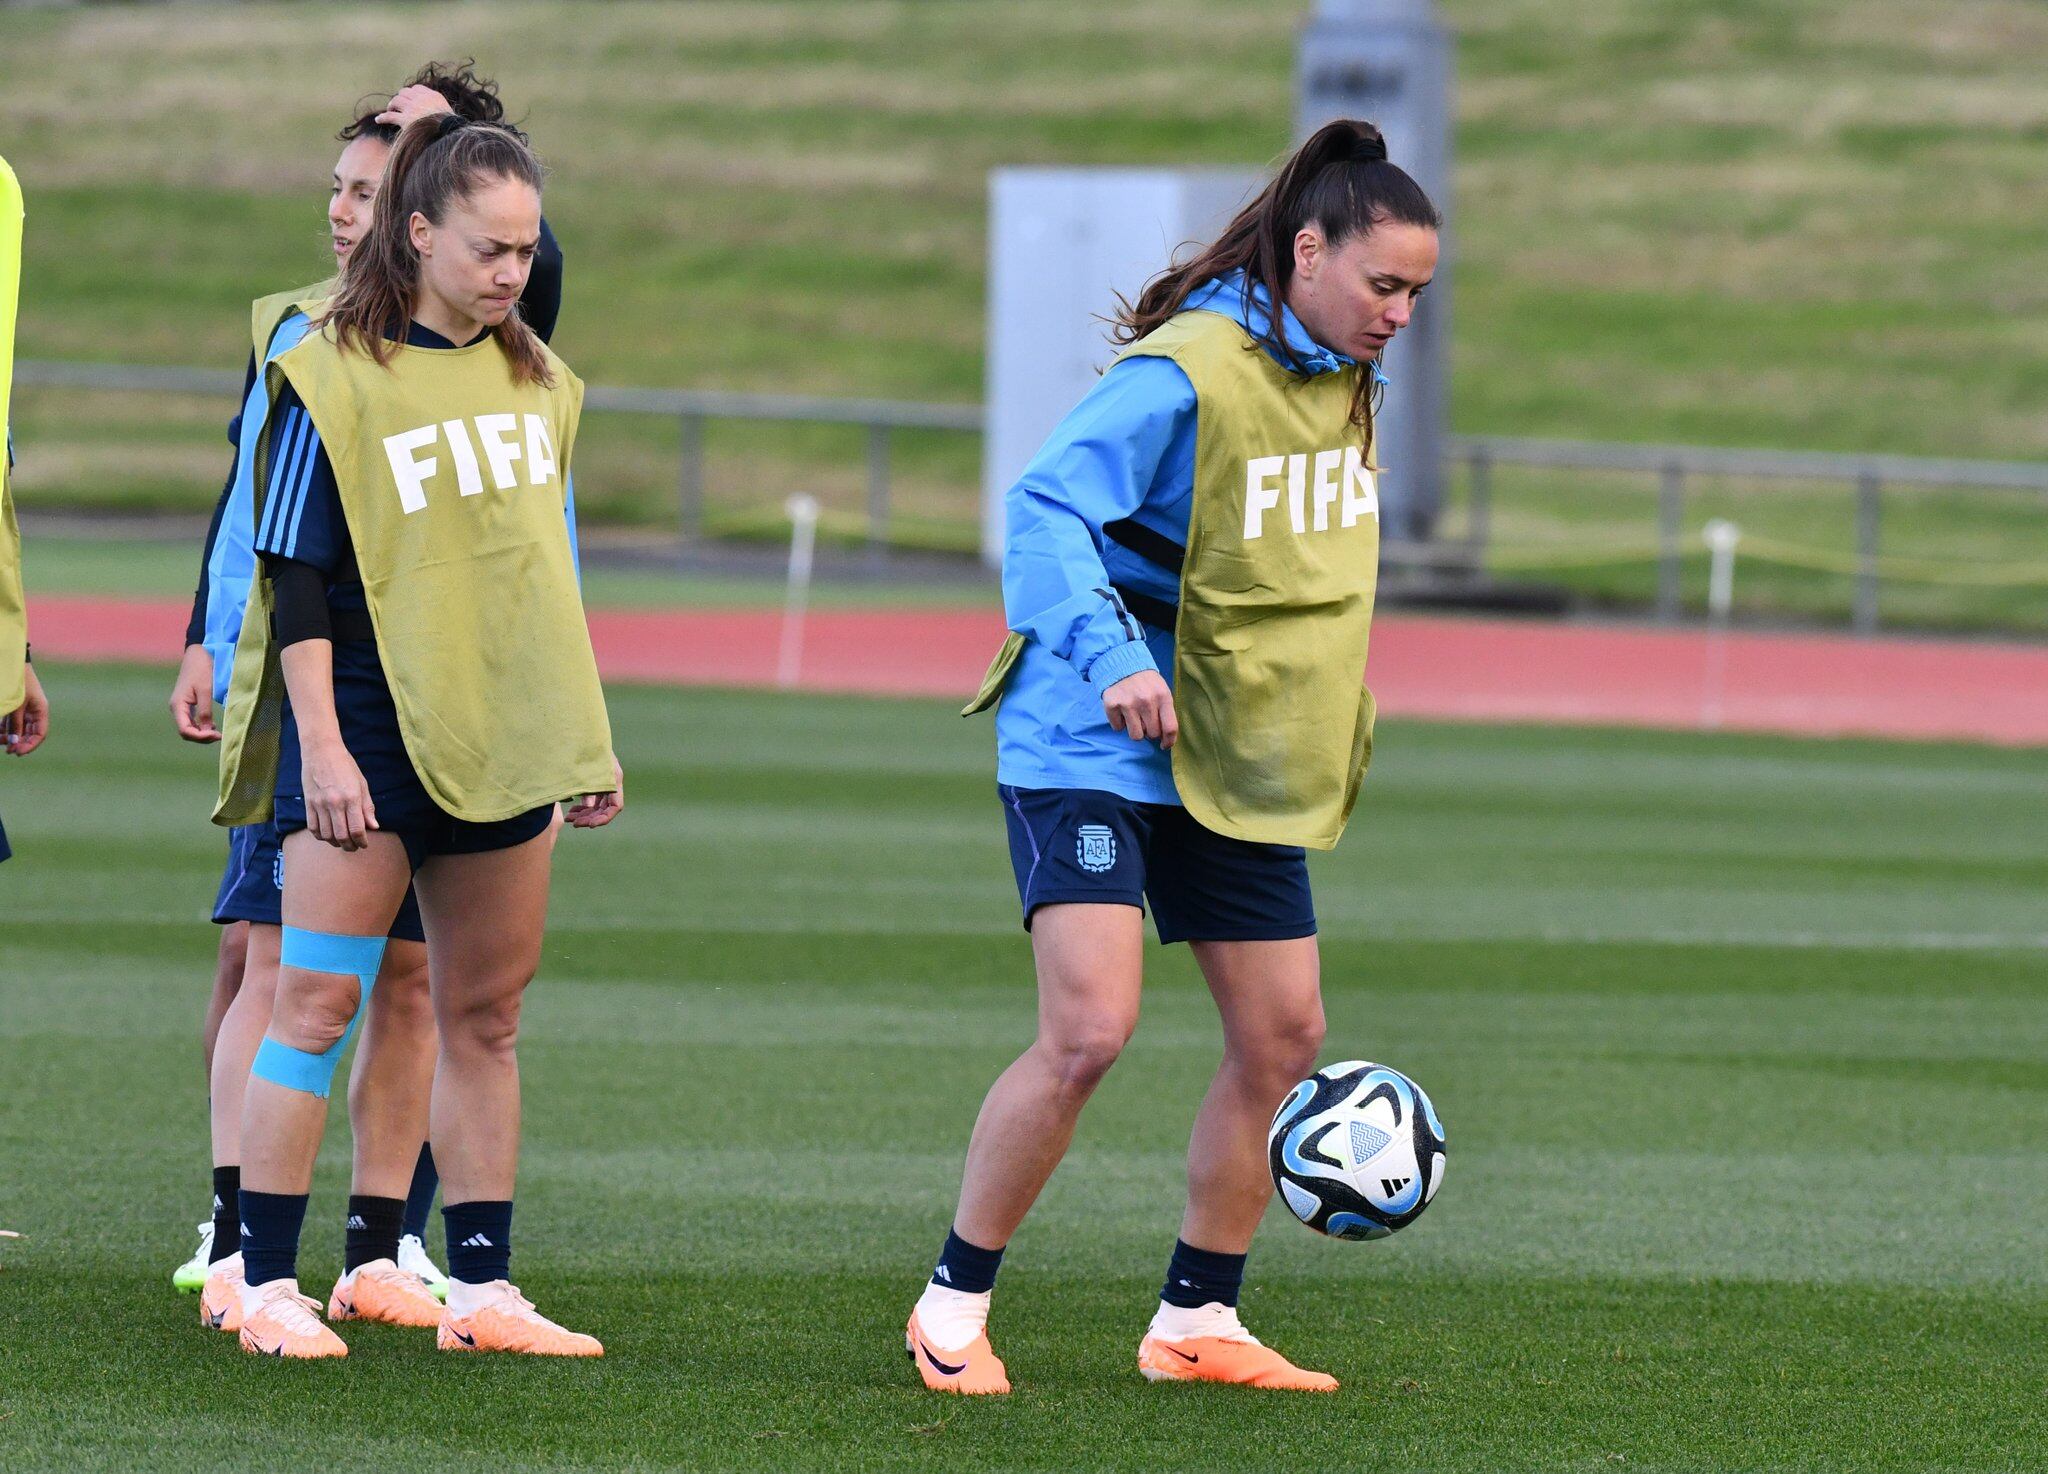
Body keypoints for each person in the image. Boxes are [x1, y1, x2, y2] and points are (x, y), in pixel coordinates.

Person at [914, 119, 1439, 1394]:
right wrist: (1114, 660)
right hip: (1091, 731)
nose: (1400, 315)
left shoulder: (1335, 374)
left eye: (1418, 292)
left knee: (1283, 1036)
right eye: (1383, 284)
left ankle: (1196, 1320)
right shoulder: (1189, 367)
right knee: (1090, 1028)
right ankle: (951, 1303)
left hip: (1231, 751)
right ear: (1307, 253)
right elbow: (1043, 511)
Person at [212, 113, 620, 1360]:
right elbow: (301, 583)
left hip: (502, 739)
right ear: (421, 231)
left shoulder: (537, 378)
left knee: (484, 1016)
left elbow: (533, 573)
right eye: (489, 248)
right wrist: (323, 753)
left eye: (525, 250)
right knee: (317, 1003)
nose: (510, 271)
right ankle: (265, 1283)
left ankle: (484, 1290)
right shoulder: (326, 372)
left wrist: (581, 739)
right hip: (371, 740)